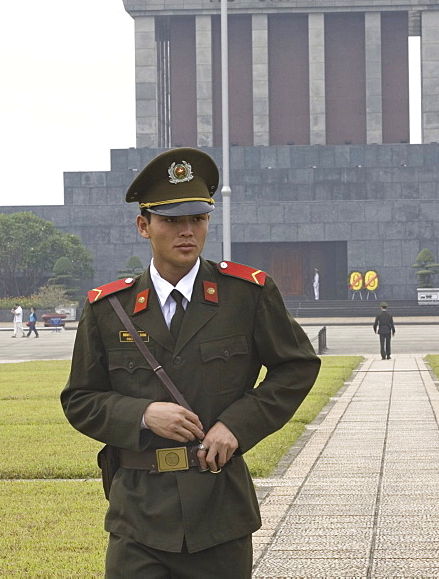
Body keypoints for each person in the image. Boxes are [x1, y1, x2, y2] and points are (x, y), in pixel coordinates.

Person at [61, 147, 321, 577]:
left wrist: (237, 425)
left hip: (218, 510)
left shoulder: (247, 294)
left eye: (197, 219)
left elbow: (297, 367)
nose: (187, 232)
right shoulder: (109, 307)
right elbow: (80, 400)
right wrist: (143, 414)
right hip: (139, 513)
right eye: (171, 220)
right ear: (144, 226)